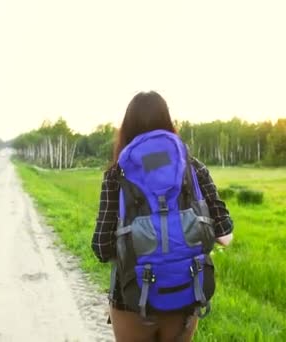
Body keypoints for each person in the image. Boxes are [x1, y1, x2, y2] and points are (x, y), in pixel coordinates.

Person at [91, 91, 234, 341]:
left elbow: (102, 248)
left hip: (131, 297)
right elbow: (225, 236)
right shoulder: (193, 167)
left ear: (127, 128)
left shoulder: (116, 174)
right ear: (168, 123)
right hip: (186, 291)